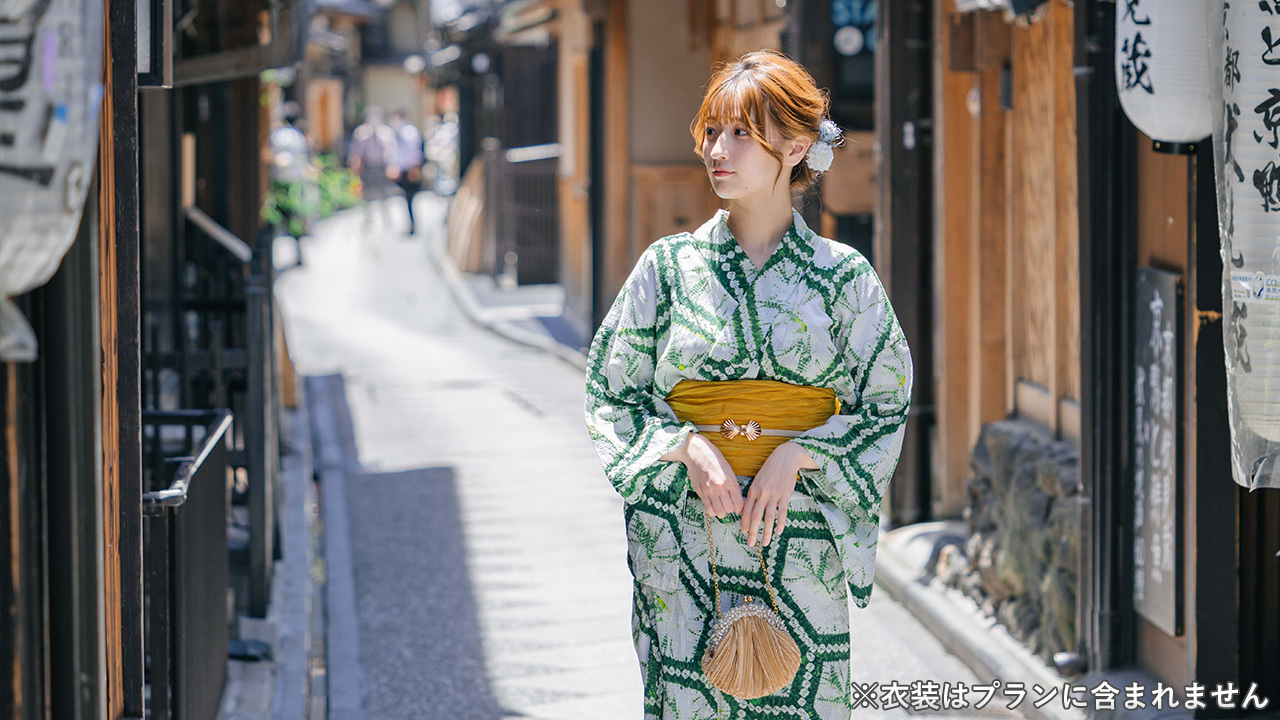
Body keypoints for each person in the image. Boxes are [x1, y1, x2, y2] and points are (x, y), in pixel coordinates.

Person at [583, 50, 912, 719]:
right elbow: (609, 393)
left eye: (740, 132)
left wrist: (799, 453)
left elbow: (887, 404)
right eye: (711, 131)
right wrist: (685, 446)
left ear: (795, 147)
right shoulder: (667, 268)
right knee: (687, 700)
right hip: (682, 536)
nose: (716, 150)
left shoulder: (843, 276)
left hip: (801, 535)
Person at [347, 105, 399, 232]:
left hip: (382, 167)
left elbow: (392, 150)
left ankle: (387, 219)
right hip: (368, 167)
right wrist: (355, 165)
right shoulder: (361, 132)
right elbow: (356, 151)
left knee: (385, 194)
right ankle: (367, 220)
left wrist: (392, 166)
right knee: (367, 195)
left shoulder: (386, 132)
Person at [388, 108, 425, 235]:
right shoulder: (400, 131)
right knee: (406, 199)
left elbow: (414, 152)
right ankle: (411, 224)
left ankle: (413, 225)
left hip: (409, 170)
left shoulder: (408, 131)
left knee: (410, 199)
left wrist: (414, 169)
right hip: (404, 169)